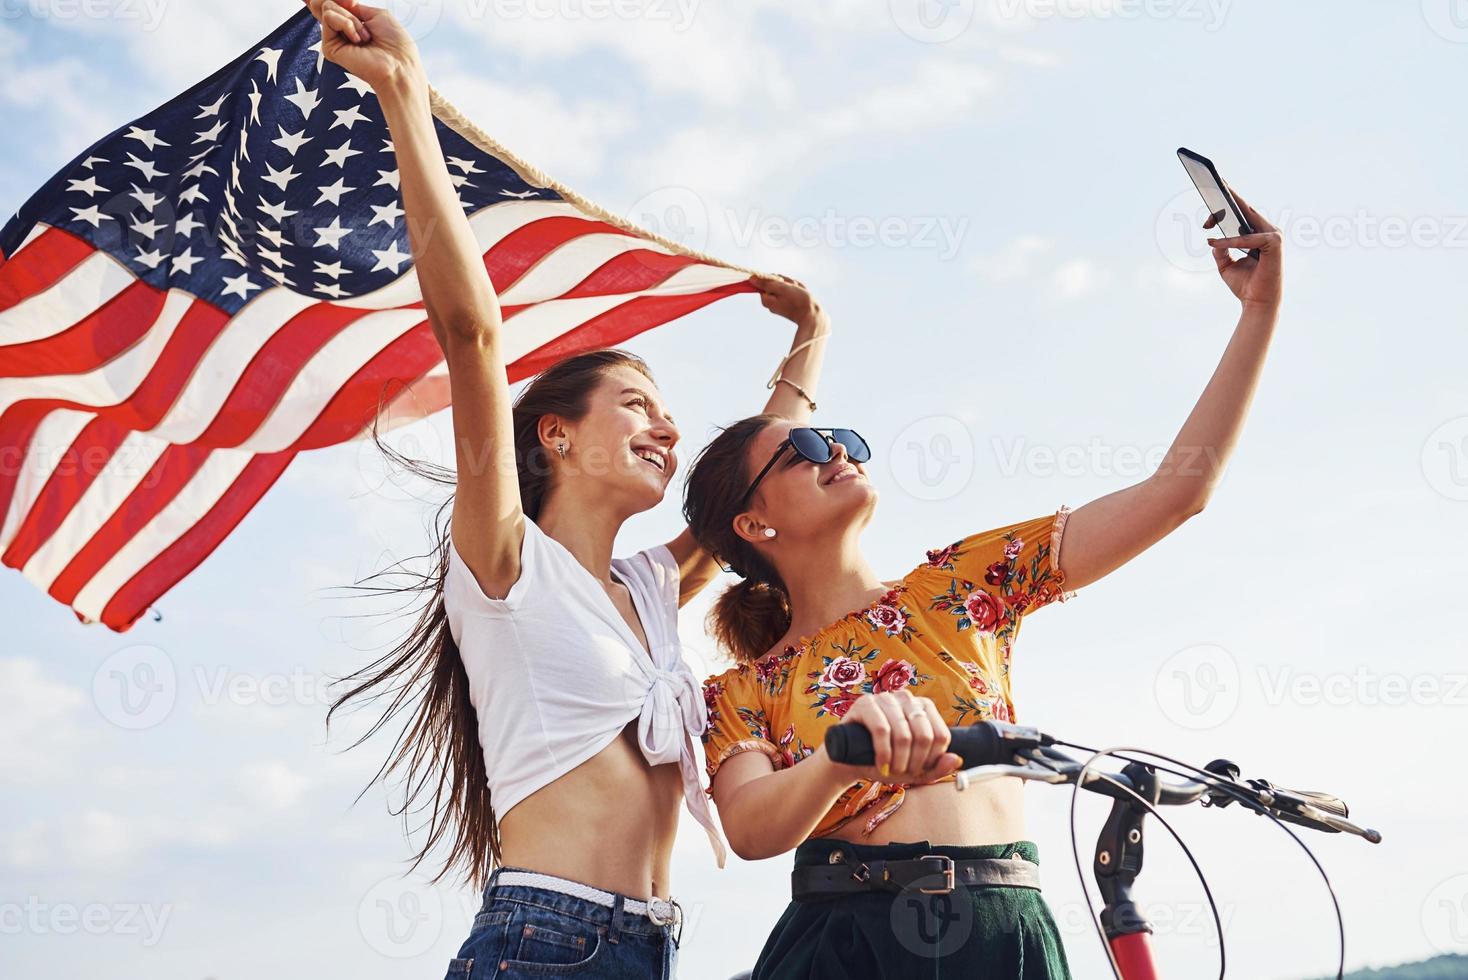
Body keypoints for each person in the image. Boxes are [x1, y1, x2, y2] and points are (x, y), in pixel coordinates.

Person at [300, 2, 831, 976]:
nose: (667, 427)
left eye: (665, 410)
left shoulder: (648, 590)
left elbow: (751, 479)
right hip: (546, 942)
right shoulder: (505, 562)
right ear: (557, 434)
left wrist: (808, 344)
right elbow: (472, 336)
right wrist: (404, 97)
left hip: (644, 944)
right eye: (635, 404)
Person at [684, 193, 1283, 977]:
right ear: (754, 526)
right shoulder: (744, 691)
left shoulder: (963, 585)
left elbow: (1177, 493)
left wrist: (1260, 310)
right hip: (845, 942)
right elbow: (754, 831)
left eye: (841, 436)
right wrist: (838, 761)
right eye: (803, 446)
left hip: (1008, 931)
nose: (836, 447)